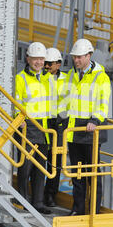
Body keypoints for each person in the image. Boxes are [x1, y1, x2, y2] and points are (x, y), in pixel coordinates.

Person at [60, 38, 111, 216]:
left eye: (80, 57)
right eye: (75, 57)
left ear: (89, 55)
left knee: (93, 174)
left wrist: (95, 121)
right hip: (74, 131)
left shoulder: (100, 77)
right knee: (77, 174)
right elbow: (65, 98)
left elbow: (103, 104)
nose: (76, 60)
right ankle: (78, 209)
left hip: (91, 132)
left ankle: (93, 211)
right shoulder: (73, 74)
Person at [15, 42, 53, 215]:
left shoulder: (47, 79)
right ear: (28, 58)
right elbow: (16, 102)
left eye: (41, 59)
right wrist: (19, 119)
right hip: (27, 127)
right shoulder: (20, 78)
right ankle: (23, 200)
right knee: (25, 166)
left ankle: (38, 202)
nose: (38, 62)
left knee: (40, 168)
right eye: (35, 58)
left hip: (43, 128)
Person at [43, 47, 67, 207]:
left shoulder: (66, 80)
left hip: (59, 126)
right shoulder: (40, 78)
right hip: (44, 123)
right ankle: (37, 194)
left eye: (49, 63)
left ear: (58, 64)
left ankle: (50, 195)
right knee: (38, 161)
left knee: (55, 163)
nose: (46, 66)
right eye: (45, 63)